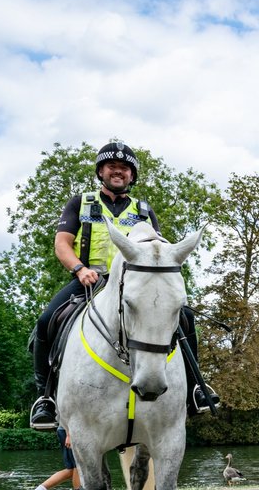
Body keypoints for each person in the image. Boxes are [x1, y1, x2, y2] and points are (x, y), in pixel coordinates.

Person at [28, 140, 216, 430]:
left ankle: (195, 389)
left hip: (135, 284)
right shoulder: (81, 203)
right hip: (91, 280)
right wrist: (79, 269)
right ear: (100, 172)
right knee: (46, 321)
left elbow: (158, 250)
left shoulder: (143, 210)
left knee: (185, 318)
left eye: (125, 168)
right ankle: (45, 397)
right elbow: (62, 244)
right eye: (112, 166)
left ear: (132, 175)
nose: (119, 172)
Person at [21, 426, 80, 490]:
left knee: (72, 470)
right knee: (78, 468)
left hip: (70, 430)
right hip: (70, 431)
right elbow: (68, 413)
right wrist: (69, 434)